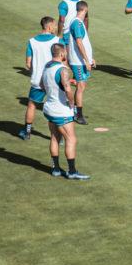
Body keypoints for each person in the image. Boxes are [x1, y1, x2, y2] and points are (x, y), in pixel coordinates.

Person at [41, 43, 89, 180]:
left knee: (55, 137)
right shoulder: (63, 70)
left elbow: (41, 85)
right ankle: (72, 171)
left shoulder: (47, 66)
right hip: (61, 111)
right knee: (71, 139)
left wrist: (53, 93)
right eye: (66, 53)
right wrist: (71, 104)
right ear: (62, 54)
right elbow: (68, 90)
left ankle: (56, 169)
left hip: (49, 108)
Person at [20, 16, 59, 140]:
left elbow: (28, 63)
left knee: (32, 105)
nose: (56, 27)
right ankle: (59, 136)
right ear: (48, 26)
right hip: (54, 80)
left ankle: (27, 132)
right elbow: (63, 60)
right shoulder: (57, 40)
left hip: (37, 80)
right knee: (56, 107)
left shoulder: (32, 41)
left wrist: (34, 72)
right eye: (54, 25)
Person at [65, 0, 95, 126]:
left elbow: (85, 42)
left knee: (81, 86)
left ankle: (76, 111)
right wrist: (86, 60)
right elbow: (79, 42)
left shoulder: (78, 22)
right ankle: (78, 114)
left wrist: (90, 58)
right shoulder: (77, 23)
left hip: (81, 60)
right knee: (81, 86)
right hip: (78, 61)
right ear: (85, 10)